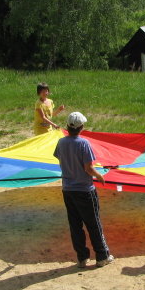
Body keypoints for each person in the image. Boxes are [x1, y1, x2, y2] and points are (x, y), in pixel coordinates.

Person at [54, 112, 114, 268]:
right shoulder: (83, 143)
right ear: (82, 127)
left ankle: (82, 258)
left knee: (75, 225)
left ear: (68, 126)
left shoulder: (61, 142)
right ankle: (102, 256)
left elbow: (61, 159)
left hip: (68, 190)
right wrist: (99, 176)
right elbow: (88, 168)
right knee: (94, 224)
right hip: (85, 190)